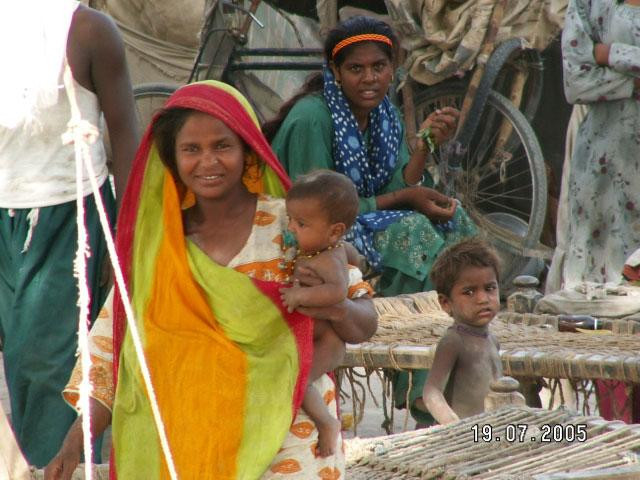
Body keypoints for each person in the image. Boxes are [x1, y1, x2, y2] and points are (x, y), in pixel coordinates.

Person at [44, 80, 377, 479]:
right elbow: (109, 352)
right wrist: (73, 443)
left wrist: (332, 303)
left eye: (222, 146)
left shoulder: (294, 227)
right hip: (189, 444)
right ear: (172, 158)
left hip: (292, 438)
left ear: (246, 150)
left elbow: (362, 323)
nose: (208, 162)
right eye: (191, 149)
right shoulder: (159, 250)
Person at [265, 15, 477, 425]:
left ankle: (456, 364)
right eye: (355, 69)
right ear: (335, 72)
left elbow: (397, 181)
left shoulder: (383, 114)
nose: (369, 78)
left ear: (393, 70)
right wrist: (406, 197)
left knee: (456, 221)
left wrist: (425, 145)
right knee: (412, 233)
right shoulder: (314, 117)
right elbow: (313, 212)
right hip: (310, 235)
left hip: (357, 221)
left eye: (379, 67)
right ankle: (416, 386)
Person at [0, 1, 137, 467]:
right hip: (3, 212)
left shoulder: (87, 30)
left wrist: (126, 235)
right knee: (19, 362)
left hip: (70, 215)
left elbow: (124, 132)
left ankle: (70, 468)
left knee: (53, 363)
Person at [548, 0, 640, 290]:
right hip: (605, 164)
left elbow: (595, 61)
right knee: (596, 285)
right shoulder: (587, 5)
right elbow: (576, 82)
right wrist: (634, 85)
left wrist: (610, 53)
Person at [281, 169, 372, 457]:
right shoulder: (334, 248)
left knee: (300, 379)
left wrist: (300, 295)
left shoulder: (328, 258)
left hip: (328, 343)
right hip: (321, 338)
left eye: (302, 223)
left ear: (334, 230)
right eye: (290, 220)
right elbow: (354, 256)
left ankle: (327, 424)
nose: (292, 228)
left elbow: (335, 292)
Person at [422, 238, 502, 424]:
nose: (483, 299)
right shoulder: (454, 341)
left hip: (491, 431)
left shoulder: (492, 340)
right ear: (446, 303)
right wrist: (453, 425)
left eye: (490, 288)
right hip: (465, 435)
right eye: (469, 292)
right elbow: (431, 392)